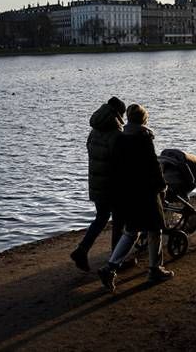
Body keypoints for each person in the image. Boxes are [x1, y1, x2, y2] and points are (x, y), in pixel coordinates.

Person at [98, 104, 173, 291]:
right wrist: (162, 186)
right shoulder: (144, 138)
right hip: (146, 192)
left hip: (127, 193)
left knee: (131, 231)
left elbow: (115, 167)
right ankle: (155, 269)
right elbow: (153, 166)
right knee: (155, 229)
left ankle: (110, 267)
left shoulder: (120, 139)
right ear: (144, 119)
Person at [70, 96, 126, 272]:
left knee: (101, 217)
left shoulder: (94, 131)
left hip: (96, 183)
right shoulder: (117, 134)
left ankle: (82, 249)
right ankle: (116, 261)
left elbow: (91, 152)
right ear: (118, 114)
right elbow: (120, 162)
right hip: (113, 185)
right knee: (119, 221)